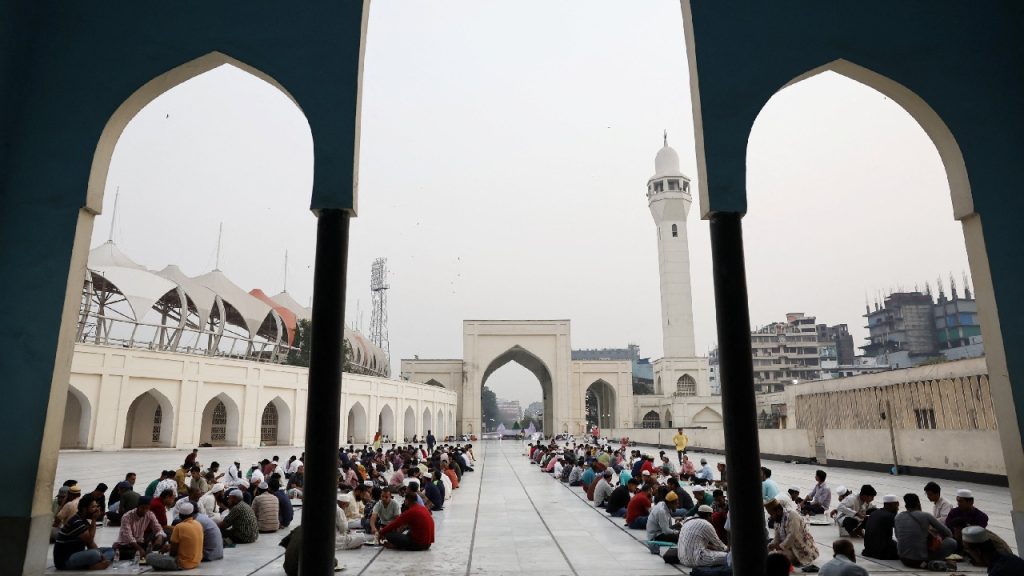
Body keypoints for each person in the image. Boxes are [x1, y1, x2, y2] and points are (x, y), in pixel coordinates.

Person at [894, 493, 957, 569]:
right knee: (951, 542)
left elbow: (898, 536)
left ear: (905, 505)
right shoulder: (925, 515)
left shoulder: (898, 517)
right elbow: (948, 533)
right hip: (920, 559)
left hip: (903, 558)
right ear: (918, 504)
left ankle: (927, 563)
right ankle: (930, 562)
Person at [53, 494, 114, 570]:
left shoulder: (83, 521)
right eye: (93, 507)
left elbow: (90, 544)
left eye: (96, 506)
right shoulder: (76, 522)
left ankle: (101, 561)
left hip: (76, 554)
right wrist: (94, 519)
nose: (96, 509)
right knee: (95, 554)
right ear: (84, 509)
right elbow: (90, 540)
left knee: (110, 550)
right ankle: (92, 566)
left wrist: (102, 556)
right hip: (65, 561)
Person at [145, 502, 203, 571]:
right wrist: (169, 547)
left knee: (149, 557)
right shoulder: (198, 524)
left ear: (180, 515)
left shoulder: (179, 527)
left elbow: (173, 552)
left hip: (182, 564)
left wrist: (167, 553)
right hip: (196, 562)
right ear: (192, 514)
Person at [765, 498, 820, 571]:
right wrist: (770, 546)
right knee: (766, 551)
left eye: (772, 514)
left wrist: (779, 546)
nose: (771, 517)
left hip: (800, 551)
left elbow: (792, 535)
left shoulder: (792, 516)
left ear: (778, 511)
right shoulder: (777, 521)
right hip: (788, 548)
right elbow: (777, 538)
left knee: (773, 557)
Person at [113, 495, 165, 561]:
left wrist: (159, 537)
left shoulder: (149, 514)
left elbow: (158, 528)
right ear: (137, 507)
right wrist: (139, 549)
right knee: (131, 554)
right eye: (142, 508)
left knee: (163, 536)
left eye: (147, 508)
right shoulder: (127, 516)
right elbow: (128, 537)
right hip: (126, 544)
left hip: (140, 542)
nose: (145, 511)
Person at [861, 494, 899, 560]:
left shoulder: (874, 513)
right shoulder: (890, 516)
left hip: (868, 549)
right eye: (896, 505)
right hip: (882, 552)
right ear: (890, 505)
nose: (897, 508)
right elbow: (901, 534)